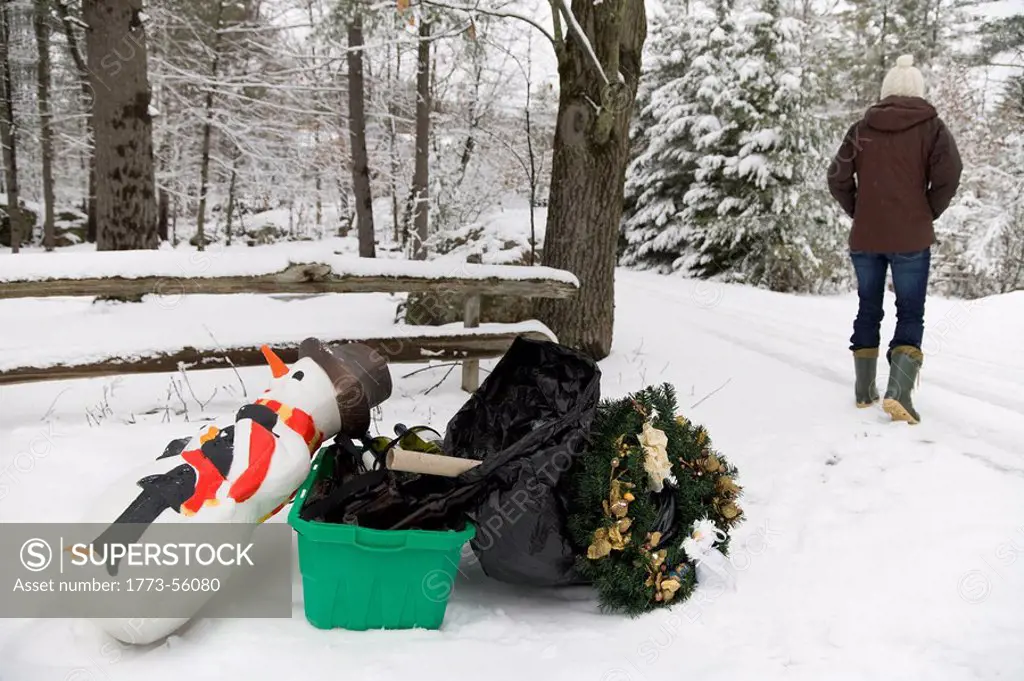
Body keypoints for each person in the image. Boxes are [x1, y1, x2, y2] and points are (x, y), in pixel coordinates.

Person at [827, 54, 962, 424]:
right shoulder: (932, 128)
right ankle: (899, 393)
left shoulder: (861, 128)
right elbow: (951, 175)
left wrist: (860, 210)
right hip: (911, 237)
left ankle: (863, 391)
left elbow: (837, 177)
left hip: (867, 236)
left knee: (868, 306)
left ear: (885, 92)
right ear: (918, 90)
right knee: (910, 310)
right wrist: (925, 212)